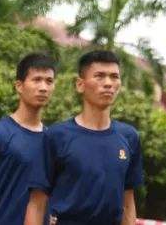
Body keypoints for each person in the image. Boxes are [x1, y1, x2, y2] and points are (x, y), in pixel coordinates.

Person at [25, 50, 144, 225]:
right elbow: (36, 203)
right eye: (100, 76)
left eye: (114, 77)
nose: (108, 83)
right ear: (80, 84)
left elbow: (128, 202)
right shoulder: (56, 136)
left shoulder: (129, 137)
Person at [0, 53, 57, 225]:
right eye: (36, 80)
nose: (43, 87)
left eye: (49, 81)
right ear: (19, 86)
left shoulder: (54, 142)